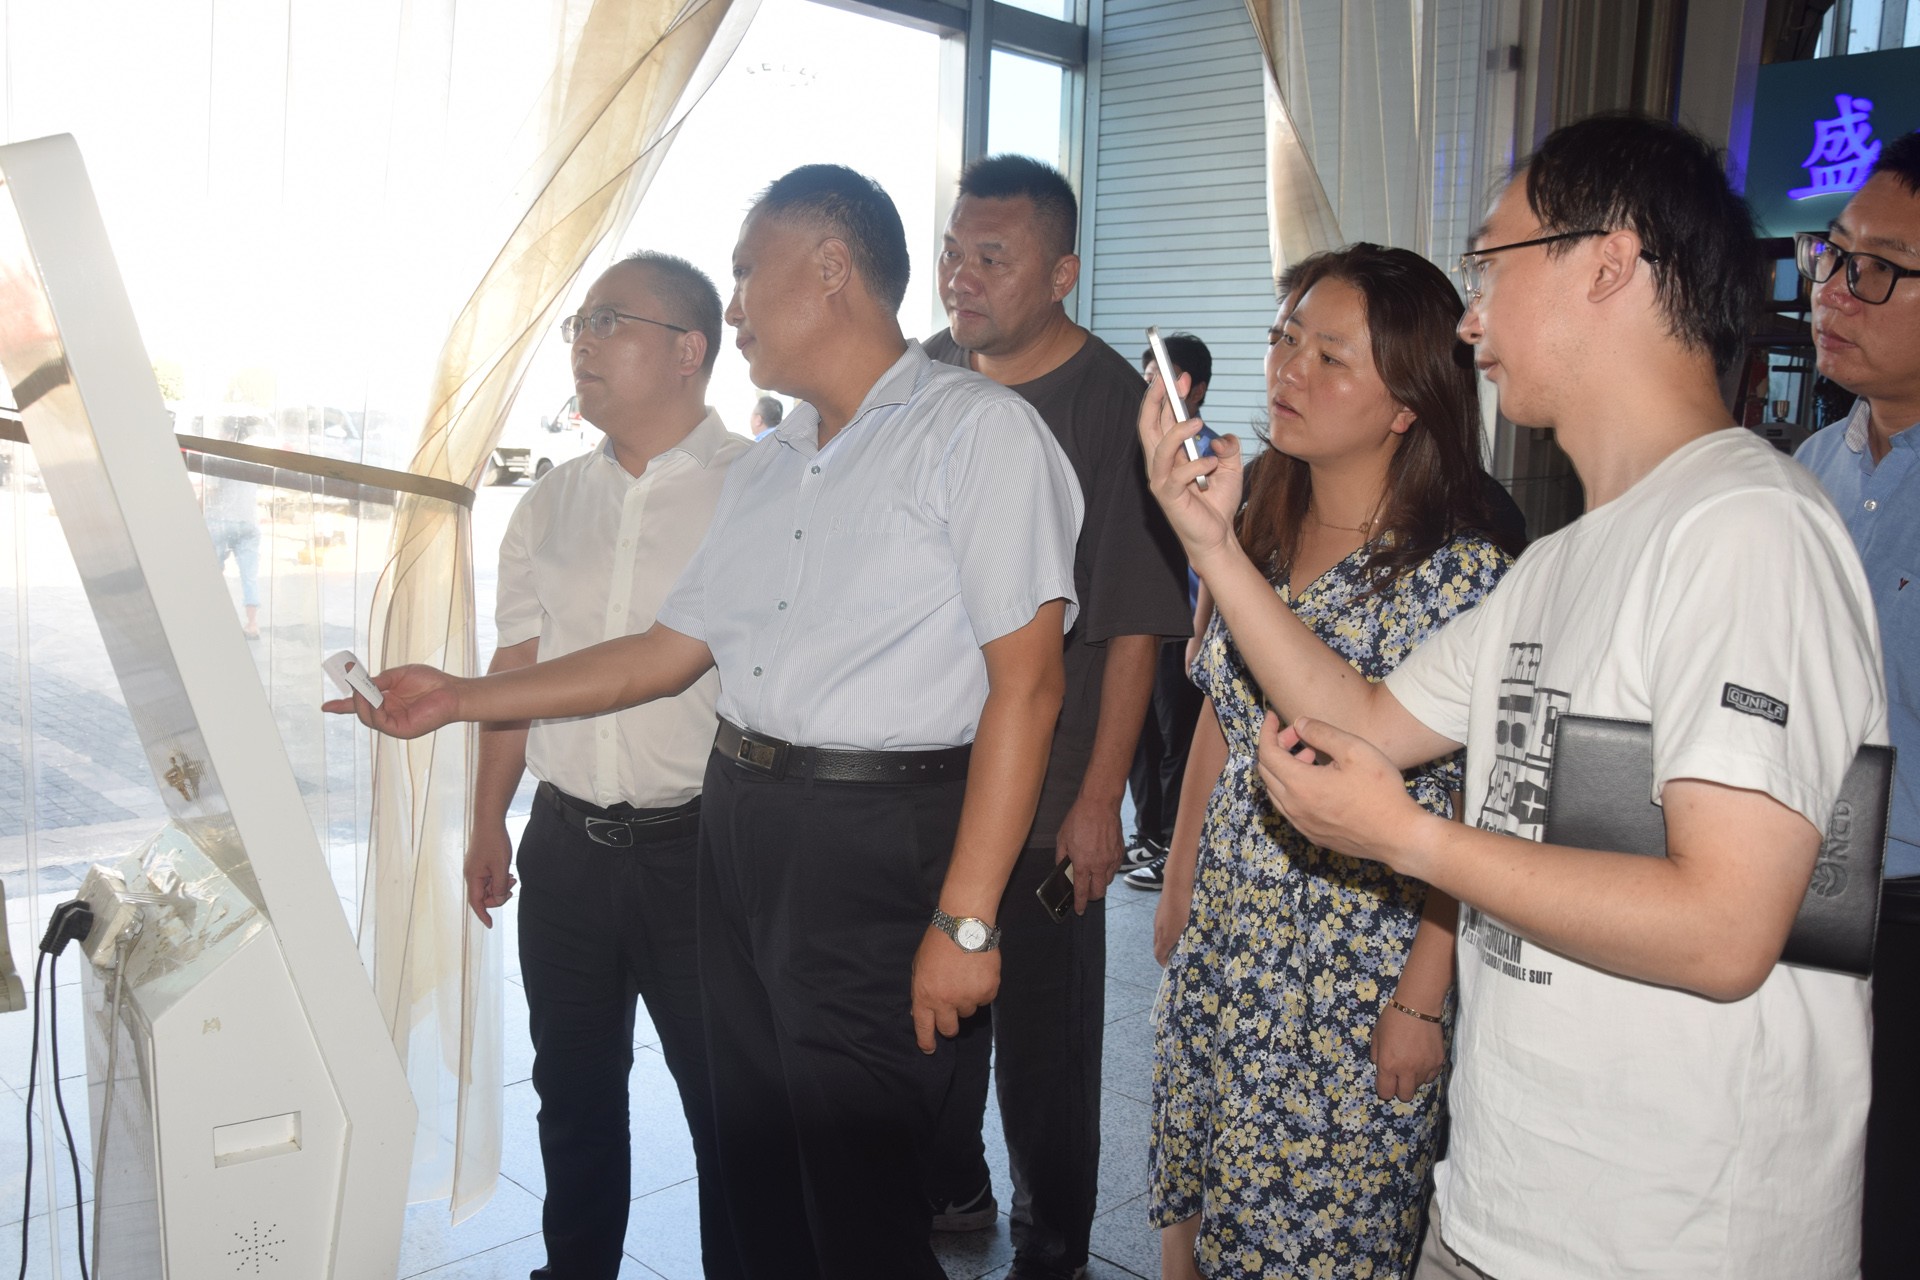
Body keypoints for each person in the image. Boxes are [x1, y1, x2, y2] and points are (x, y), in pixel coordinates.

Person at [1140, 112, 1885, 1280]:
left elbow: (1726, 926)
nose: (1471, 317)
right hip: (1508, 1209)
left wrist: (1410, 838)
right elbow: (1364, 718)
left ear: (1610, 263)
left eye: (1492, 263)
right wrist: (1214, 548)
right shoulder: (1562, 564)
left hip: (1679, 1235)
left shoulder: (1747, 528)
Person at [330, 163, 1082, 1279]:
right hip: (738, 822)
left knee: (858, 1193)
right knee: (756, 1158)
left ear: (830, 268)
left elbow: (1029, 686)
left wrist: (968, 923)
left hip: (876, 835)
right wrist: (458, 698)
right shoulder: (773, 466)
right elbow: (659, 656)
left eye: (744, 274)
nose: (732, 309)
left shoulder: (976, 434)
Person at [1147, 244, 1514, 1279]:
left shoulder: (1462, 575)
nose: (1288, 370)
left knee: (1320, 1242)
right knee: (1189, 1221)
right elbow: (1223, 712)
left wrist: (1422, 997)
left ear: (1407, 404)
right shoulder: (1254, 523)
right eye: (1284, 340)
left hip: (1352, 961)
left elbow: (1477, 801)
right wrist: (1179, 876)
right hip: (1229, 932)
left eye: (1330, 356)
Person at [920, 154, 1191, 1278]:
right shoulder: (924, 375)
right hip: (928, 776)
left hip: (1046, 788)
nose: (961, 277)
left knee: (1044, 1048)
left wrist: (1099, 802)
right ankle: (953, 1188)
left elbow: (1133, 627)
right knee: (931, 1020)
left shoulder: (1111, 408)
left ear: (1063, 273)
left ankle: (1055, 1241)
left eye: (993, 257)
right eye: (953, 252)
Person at [468, 251, 748, 1279]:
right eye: (578, 325)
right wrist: (488, 820)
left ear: (687, 350)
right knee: (574, 1093)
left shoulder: (755, 489)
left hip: (702, 853)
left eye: (608, 321)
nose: (581, 344)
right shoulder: (549, 503)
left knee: (727, 1102)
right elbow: (518, 671)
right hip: (567, 847)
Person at [1793, 128, 1920, 1280]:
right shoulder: (1801, 475)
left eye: (1879, 270)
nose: (1835, 289)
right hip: (1804, 892)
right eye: (1834, 255)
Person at [1123, 334, 1212, 886]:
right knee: (1139, 734)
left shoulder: (1206, 454)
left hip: (1184, 621)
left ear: (1195, 389)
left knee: (1178, 738)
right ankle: (1149, 834)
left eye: (1165, 377)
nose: (1151, 386)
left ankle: (1176, 848)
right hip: (1138, 617)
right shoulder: (1135, 448)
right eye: (1147, 375)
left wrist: (1200, 631)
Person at [203, 411, 265, 638]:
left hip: (222, 521)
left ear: (228, 433)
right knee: (249, 576)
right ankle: (252, 624)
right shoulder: (252, 456)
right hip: (249, 522)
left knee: (212, 570)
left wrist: (196, 507)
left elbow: (211, 490)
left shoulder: (220, 456)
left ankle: (214, 618)